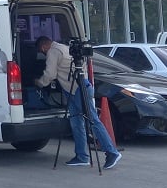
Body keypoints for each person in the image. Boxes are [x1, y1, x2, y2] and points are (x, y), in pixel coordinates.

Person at [33, 36, 121, 170]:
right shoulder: (65, 48)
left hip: (77, 89)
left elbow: (50, 74)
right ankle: (81, 157)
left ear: (43, 47)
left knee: (92, 120)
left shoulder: (53, 51)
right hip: (79, 87)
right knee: (77, 122)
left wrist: (39, 83)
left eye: (41, 51)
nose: (43, 53)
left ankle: (111, 152)